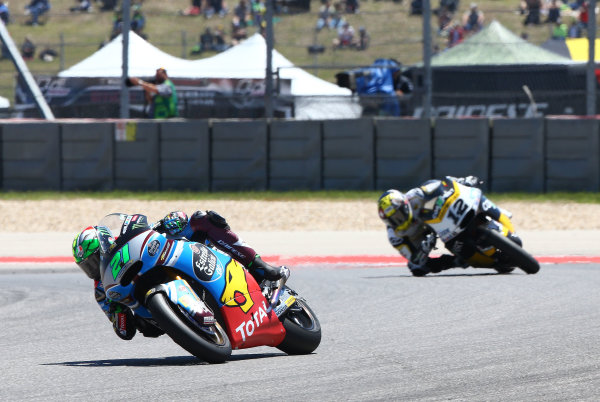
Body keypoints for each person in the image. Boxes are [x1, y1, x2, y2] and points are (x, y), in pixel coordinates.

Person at [72, 210, 289, 341]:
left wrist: (170, 221)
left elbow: (155, 228)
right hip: (153, 313)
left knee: (203, 219)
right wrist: (119, 314)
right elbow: (124, 332)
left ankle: (258, 266)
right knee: (145, 327)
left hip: (175, 258)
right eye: (86, 266)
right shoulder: (102, 291)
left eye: (93, 260)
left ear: (105, 244)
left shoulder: (127, 243)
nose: (92, 269)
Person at [377, 176, 518, 276]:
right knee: (419, 269)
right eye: (392, 220)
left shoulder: (415, 195)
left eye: (398, 216)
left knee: (477, 198)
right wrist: (423, 250)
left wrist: (461, 182)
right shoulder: (395, 236)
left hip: (440, 220)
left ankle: (500, 215)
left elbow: (440, 185)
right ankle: (458, 261)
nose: (397, 221)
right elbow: (414, 262)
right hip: (425, 237)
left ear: (404, 205)